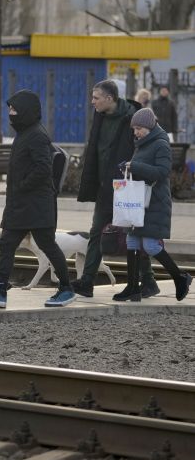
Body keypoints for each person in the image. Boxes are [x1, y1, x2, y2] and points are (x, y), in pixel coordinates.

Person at [0, 89, 76, 309]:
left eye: (14, 109)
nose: (10, 113)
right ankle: (0, 290)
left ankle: (66, 288)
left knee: (46, 244)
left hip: (35, 204)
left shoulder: (36, 135)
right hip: (23, 204)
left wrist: (21, 187)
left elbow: (43, 168)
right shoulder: (26, 133)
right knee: (7, 243)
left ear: (26, 111)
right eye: (9, 108)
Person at [72, 80, 158, 298]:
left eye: (96, 98)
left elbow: (147, 147)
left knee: (134, 232)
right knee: (96, 231)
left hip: (126, 187)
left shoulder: (133, 117)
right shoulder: (100, 116)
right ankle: (87, 281)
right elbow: (96, 147)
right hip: (104, 186)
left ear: (109, 99)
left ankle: (148, 281)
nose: (92, 102)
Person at [113, 108, 191, 302]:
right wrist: (128, 166)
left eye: (138, 128)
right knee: (132, 242)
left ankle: (180, 277)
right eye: (134, 129)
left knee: (150, 245)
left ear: (149, 126)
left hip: (155, 202)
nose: (135, 132)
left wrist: (135, 166)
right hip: (139, 202)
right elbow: (143, 169)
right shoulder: (142, 143)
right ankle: (132, 287)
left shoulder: (161, 144)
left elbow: (162, 172)